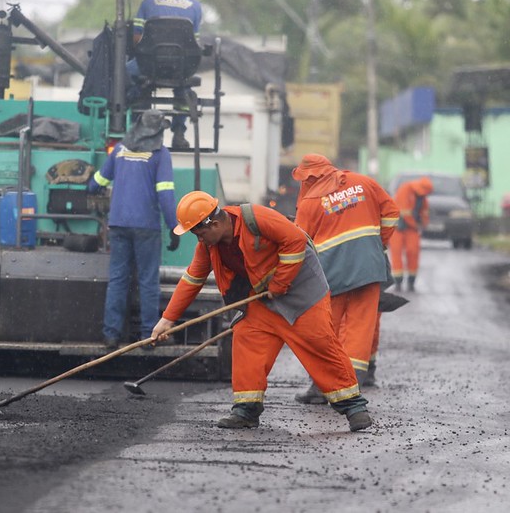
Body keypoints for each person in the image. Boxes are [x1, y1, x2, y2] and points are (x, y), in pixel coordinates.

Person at [150, 191, 373, 432]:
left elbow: (296, 240)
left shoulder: (256, 218)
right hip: (260, 297)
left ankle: (353, 407)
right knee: (247, 342)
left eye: (199, 232)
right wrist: (167, 319)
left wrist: (280, 283)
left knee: (319, 343)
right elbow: (193, 279)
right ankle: (246, 410)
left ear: (214, 224)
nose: (199, 239)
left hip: (301, 292)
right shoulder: (209, 246)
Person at [292, 153, 399, 403]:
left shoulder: (310, 202)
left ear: (308, 177)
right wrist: (377, 242)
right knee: (361, 326)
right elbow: (392, 213)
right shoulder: (365, 183)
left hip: (331, 274)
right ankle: (351, 388)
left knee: (325, 329)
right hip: (369, 268)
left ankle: (321, 388)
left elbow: (298, 242)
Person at [88, 109, 181, 349]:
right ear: (159, 131)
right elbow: (165, 194)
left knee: (118, 279)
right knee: (148, 281)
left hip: (118, 223)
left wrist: (91, 187)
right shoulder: (160, 154)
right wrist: (174, 227)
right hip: (146, 226)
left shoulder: (119, 150)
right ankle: (147, 336)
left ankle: (111, 335)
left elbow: (97, 182)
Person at [127, 0, 203, 149]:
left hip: (148, 65)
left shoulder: (149, 0)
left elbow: (136, 37)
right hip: (180, 68)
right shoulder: (196, 7)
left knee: (124, 74)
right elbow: (195, 45)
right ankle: (179, 133)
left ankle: (136, 124)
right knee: (184, 88)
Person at [389, 176, 433, 292]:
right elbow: (405, 213)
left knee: (413, 251)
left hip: (412, 228)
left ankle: (411, 279)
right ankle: (398, 280)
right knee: (396, 251)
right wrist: (417, 225)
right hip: (398, 226)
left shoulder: (422, 197)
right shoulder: (405, 189)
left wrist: (423, 223)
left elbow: (424, 211)